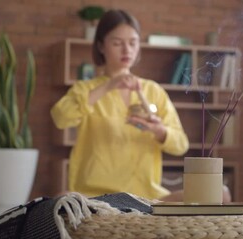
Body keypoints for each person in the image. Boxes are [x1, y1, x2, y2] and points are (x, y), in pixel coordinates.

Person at [51, 9, 189, 200]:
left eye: (133, 43)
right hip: (95, 196)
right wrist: (108, 86)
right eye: (117, 43)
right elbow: (61, 117)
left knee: (219, 195)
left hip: (146, 197)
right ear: (101, 46)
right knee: (62, 199)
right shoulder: (85, 90)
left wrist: (160, 131)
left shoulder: (153, 91)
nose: (127, 50)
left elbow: (181, 145)